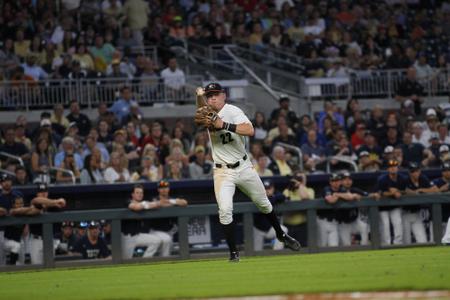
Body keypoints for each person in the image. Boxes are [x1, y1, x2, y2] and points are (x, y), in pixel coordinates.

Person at [196, 82, 300, 262]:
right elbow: (202, 109)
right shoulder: (207, 111)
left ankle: (281, 234)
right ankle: (233, 254)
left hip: (244, 167)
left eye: (215, 94)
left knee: (264, 204)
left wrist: (224, 125)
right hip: (222, 172)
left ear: (223, 95)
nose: (212, 97)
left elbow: (250, 130)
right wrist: (199, 96)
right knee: (225, 210)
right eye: (209, 95)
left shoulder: (233, 111)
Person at [122, 184, 163, 259]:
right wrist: (147, 204)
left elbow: (158, 204)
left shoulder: (143, 203)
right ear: (133, 194)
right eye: (137, 193)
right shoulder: (127, 201)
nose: (140, 195)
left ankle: (144, 261)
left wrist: (153, 203)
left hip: (137, 235)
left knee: (156, 240)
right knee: (126, 261)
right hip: (127, 237)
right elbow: (136, 207)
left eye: (141, 193)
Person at [29, 183, 66, 264]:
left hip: (49, 239)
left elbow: (62, 206)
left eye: (45, 191)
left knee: (50, 265)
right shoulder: (34, 203)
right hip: (36, 240)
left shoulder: (54, 206)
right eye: (41, 191)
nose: (43, 193)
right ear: (37, 193)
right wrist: (56, 201)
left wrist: (55, 203)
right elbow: (37, 201)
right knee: (36, 266)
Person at [339, 171, 379, 246]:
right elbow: (346, 195)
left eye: (349, 179)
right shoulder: (338, 190)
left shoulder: (354, 190)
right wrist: (352, 196)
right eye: (345, 180)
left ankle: (365, 248)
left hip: (354, 221)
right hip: (343, 223)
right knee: (346, 245)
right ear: (341, 181)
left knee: (364, 227)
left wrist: (374, 194)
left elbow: (366, 194)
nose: (348, 181)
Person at [150, 180, 188, 257]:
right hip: (155, 231)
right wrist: (170, 203)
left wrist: (170, 201)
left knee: (167, 253)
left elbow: (184, 202)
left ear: (168, 189)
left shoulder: (172, 199)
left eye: (165, 187)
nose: (164, 189)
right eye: (161, 188)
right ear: (158, 190)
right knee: (162, 251)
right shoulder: (153, 199)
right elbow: (160, 203)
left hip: (169, 232)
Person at [404, 162, 438, 244]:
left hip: (416, 213)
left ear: (419, 171)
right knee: (405, 242)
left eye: (417, 171)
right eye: (413, 171)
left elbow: (435, 189)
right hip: (404, 214)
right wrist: (414, 193)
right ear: (409, 173)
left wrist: (422, 190)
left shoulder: (423, 178)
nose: (415, 173)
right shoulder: (405, 180)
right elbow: (403, 190)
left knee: (422, 241)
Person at [376, 159, 407, 245]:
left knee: (398, 223)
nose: (393, 168)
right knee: (385, 225)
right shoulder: (382, 179)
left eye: (394, 166)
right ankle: (386, 244)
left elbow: (407, 190)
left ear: (397, 168)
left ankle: (398, 243)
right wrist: (391, 193)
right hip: (383, 207)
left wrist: (398, 191)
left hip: (395, 206)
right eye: (391, 167)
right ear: (388, 169)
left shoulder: (402, 178)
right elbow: (379, 192)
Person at [4, 196, 41, 265]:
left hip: (19, 240)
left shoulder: (25, 213)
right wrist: (30, 208)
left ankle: (15, 269)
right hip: (6, 241)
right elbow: (17, 211)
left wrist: (38, 208)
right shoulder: (11, 211)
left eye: (21, 203)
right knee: (16, 245)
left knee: (21, 261)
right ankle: (12, 267)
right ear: (13, 205)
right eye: (17, 204)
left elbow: (37, 211)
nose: (19, 205)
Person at [253, 180, 288, 251]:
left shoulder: (275, 194)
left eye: (269, 188)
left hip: (269, 229)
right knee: (256, 252)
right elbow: (267, 202)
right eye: (265, 188)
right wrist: (273, 199)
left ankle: (277, 252)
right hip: (258, 230)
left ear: (273, 188)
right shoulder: (257, 195)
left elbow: (282, 196)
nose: (267, 190)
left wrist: (273, 197)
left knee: (283, 230)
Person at [282, 172, 315, 247]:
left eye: (301, 179)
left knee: (303, 248)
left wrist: (299, 185)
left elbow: (304, 197)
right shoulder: (287, 191)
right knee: (288, 249)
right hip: (288, 226)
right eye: (297, 178)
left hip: (302, 226)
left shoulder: (309, 190)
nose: (299, 180)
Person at [0, 174, 24, 265]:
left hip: (17, 228)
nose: (7, 183)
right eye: (4, 181)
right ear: (1, 183)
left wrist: (26, 226)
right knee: (1, 259)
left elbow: (24, 211)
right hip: (2, 230)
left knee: (21, 255)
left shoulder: (18, 194)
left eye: (8, 181)